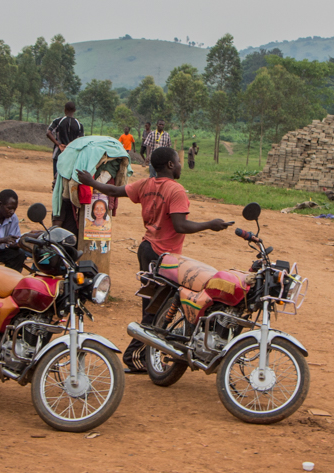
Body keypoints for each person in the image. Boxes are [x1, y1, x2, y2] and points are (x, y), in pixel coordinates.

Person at [77, 146, 231, 373]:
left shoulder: (146, 184)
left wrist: (91, 182)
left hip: (147, 249)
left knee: (154, 306)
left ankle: (142, 354)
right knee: (157, 309)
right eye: (178, 162)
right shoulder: (176, 190)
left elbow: (113, 190)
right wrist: (210, 224)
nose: (180, 165)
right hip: (163, 255)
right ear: (170, 165)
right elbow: (180, 225)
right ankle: (133, 357)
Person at [46, 102, 83, 181]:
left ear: (65, 110)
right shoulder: (79, 124)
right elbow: (81, 140)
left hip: (58, 153)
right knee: (68, 178)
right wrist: (70, 146)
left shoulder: (58, 121)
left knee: (56, 179)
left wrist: (59, 144)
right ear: (75, 110)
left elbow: (48, 133)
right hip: (72, 155)